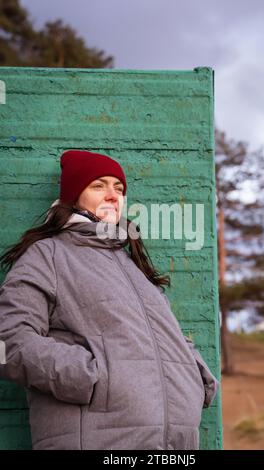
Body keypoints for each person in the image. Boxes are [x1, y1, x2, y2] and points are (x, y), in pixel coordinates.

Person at [0, 149, 219, 450]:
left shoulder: (131, 265)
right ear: (74, 197)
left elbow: (166, 338)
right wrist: (91, 376)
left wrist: (194, 376)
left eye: (119, 188)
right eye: (98, 185)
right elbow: (9, 341)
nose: (113, 195)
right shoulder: (47, 255)